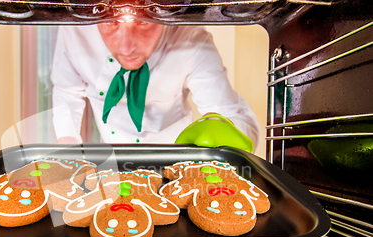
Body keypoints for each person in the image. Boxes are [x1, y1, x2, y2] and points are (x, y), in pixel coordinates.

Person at [50, 17, 261, 150]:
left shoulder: (191, 38)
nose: (126, 48)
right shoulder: (74, 30)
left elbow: (228, 113)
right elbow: (66, 91)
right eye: (110, 22)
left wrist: (225, 133)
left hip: (173, 155)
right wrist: (67, 143)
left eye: (143, 21)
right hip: (111, 152)